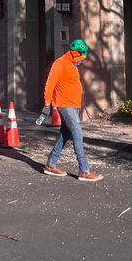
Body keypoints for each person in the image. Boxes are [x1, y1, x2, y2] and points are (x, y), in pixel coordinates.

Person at [41, 39, 103, 182]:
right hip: (65, 106)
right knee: (77, 134)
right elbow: (49, 84)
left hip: (73, 106)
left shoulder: (72, 65)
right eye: (82, 57)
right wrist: (47, 104)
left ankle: (50, 164)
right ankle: (84, 170)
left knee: (64, 134)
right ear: (76, 53)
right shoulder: (60, 63)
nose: (82, 61)